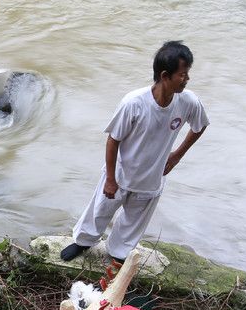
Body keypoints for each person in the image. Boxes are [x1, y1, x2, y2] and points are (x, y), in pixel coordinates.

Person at [60, 41, 209, 264]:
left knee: (132, 223)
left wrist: (177, 155)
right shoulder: (134, 103)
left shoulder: (188, 101)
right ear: (165, 75)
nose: (187, 79)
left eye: (187, 74)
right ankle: (83, 242)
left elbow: (200, 126)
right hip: (120, 173)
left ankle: (117, 255)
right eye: (183, 74)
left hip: (152, 178)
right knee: (99, 211)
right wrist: (110, 179)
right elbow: (113, 140)